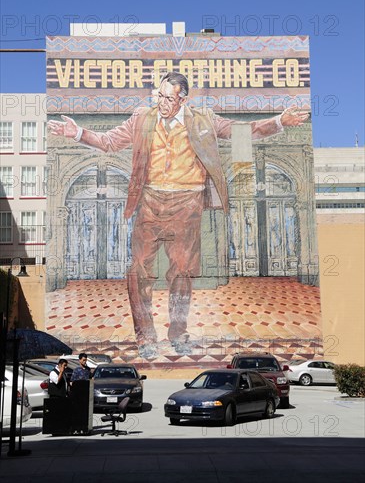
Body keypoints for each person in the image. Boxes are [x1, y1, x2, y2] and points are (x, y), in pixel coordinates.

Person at [48, 72, 309, 359]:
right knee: (138, 272)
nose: (162, 102)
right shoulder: (142, 118)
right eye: (159, 96)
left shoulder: (203, 119)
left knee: (182, 273)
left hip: (188, 204)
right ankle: (146, 337)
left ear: (183, 99)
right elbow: (109, 141)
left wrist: (279, 122)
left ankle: (179, 333)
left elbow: (240, 133)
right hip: (149, 202)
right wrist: (77, 133)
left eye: (168, 98)